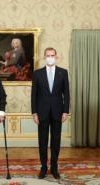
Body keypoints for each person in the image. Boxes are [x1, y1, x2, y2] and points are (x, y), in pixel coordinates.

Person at [31, 47, 70, 179]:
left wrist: (65, 111)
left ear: (56, 57)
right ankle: (43, 167)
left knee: (56, 140)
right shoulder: (37, 73)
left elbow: (67, 93)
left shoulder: (63, 72)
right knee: (42, 141)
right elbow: (34, 95)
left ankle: (54, 167)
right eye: (48, 55)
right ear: (44, 57)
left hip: (58, 112)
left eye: (52, 55)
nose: (50, 57)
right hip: (42, 112)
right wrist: (34, 113)